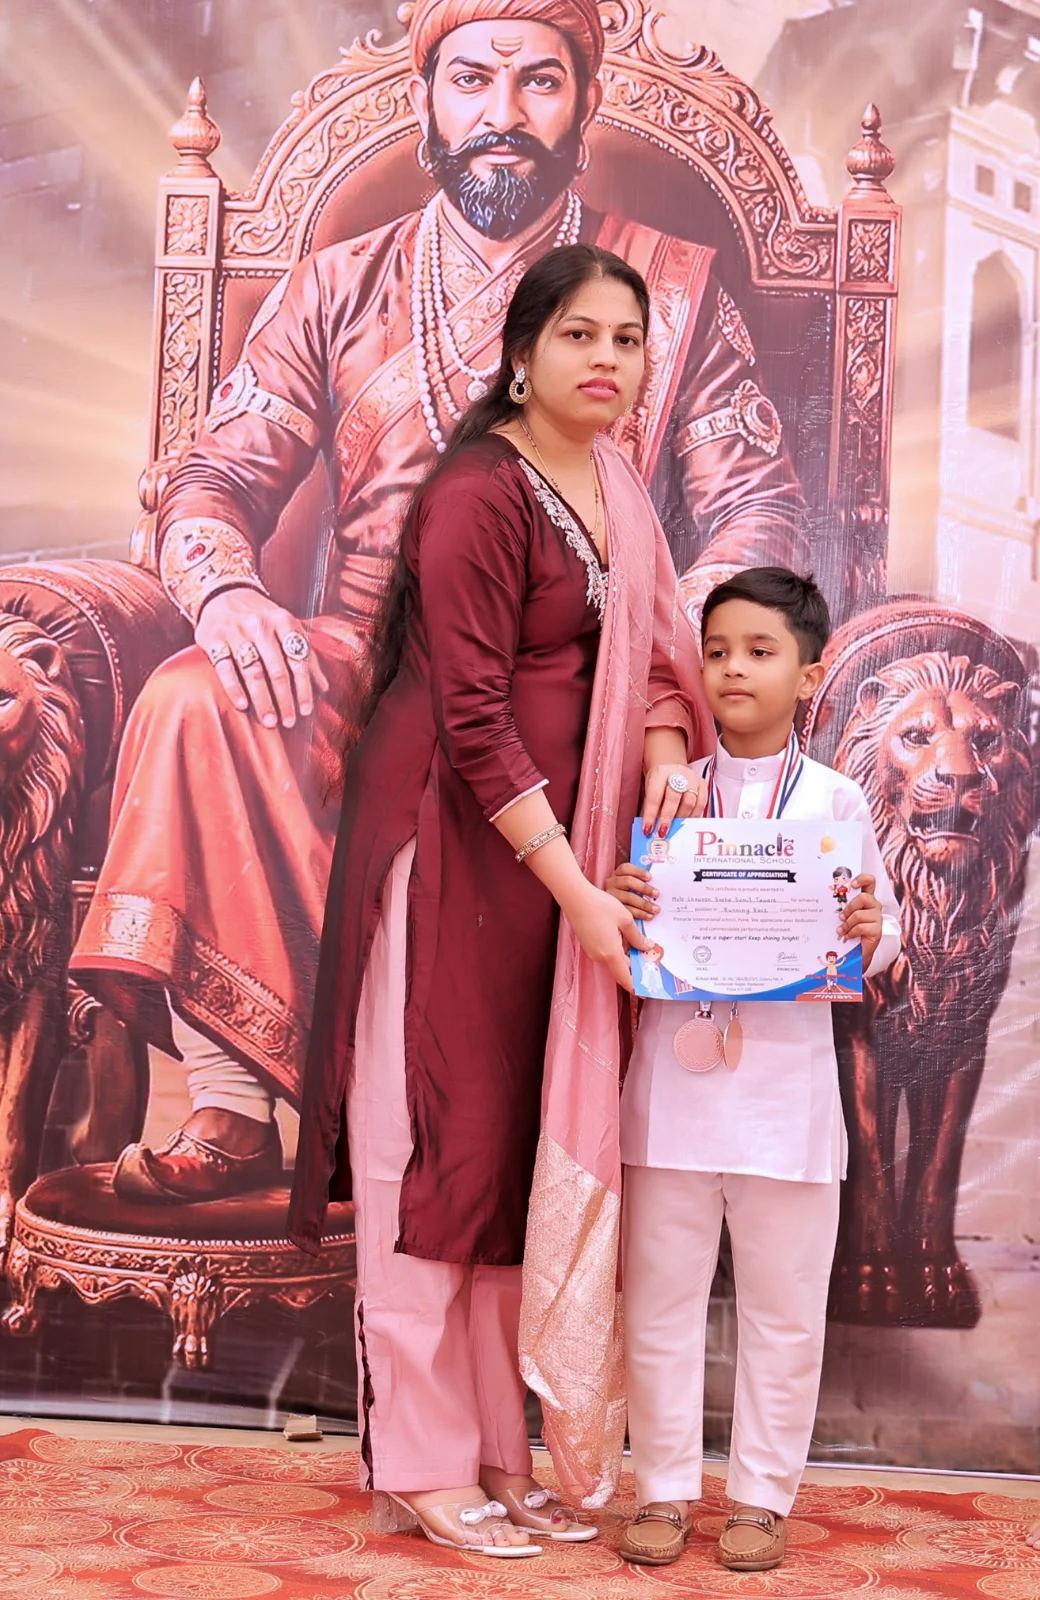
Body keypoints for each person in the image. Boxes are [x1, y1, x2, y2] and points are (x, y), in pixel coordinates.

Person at [68, 0, 804, 1203]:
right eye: (471, 81)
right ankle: (238, 1103)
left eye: (538, 82)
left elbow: (755, 513)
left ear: (585, 103)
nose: (502, 113)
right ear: (427, 102)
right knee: (197, 697)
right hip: (366, 662)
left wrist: (664, 676)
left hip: (582, 675)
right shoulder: (336, 284)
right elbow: (213, 478)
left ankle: (496, 1138)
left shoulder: (671, 292)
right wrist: (230, 596)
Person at [287, 244, 712, 1555]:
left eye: (627, 339)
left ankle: (493, 1448)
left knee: (500, 1157)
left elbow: (651, 657)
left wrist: (661, 751)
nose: (607, 359)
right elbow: (471, 718)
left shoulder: (617, 486)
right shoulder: (480, 492)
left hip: (544, 867)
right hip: (450, 841)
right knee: (426, 1149)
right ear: (523, 353)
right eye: (579, 334)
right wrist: (581, 890)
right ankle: (421, 1457)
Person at [603, 567, 901, 1571]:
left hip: (787, 1105)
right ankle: (662, 1489)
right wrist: (627, 899)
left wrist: (871, 929)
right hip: (670, 1100)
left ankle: (764, 1498)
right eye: (718, 650)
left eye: (760, 651)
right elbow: (621, 929)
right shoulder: (666, 790)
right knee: (659, 1306)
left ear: (809, 674)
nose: (734, 668)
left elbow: (883, 934)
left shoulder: (835, 799)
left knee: (784, 1316)